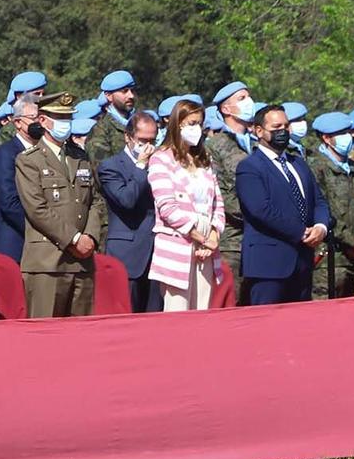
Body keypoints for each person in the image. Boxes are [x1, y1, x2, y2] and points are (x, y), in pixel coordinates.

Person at [15, 94, 105, 319]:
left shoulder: (80, 157)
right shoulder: (29, 160)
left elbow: (95, 200)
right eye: (59, 117)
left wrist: (91, 238)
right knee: (46, 337)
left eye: (68, 117)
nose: (65, 123)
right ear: (43, 121)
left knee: (82, 337)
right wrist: (74, 239)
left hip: (82, 262)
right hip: (47, 262)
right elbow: (37, 209)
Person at [234, 105, 331, 305]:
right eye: (276, 127)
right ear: (259, 131)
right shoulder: (249, 167)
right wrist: (302, 232)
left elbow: (318, 201)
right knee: (267, 327)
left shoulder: (298, 163)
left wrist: (321, 227)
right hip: (269, 264)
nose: (283, 132)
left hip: (303, 262)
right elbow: (261, 210)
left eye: (286, 126)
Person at [146, 99, 226, 311]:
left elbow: (217, 203)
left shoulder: (203, 159)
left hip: (206, 245)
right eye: (191, 123)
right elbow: (167, 206)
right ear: (177, 124)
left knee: (203, 308)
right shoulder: (160, 159)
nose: (197, 129)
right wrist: (198, 237)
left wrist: (213, 237)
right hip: (178, 242)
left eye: (200, 123)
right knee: (177, 309)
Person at [97, 109, 159, 313]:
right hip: (128, 251)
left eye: (152, 140)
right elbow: (127, 200)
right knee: (127, 313)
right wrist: (141, 166)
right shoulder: (111, 166)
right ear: (128, 137)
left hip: (157, 252)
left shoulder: (160, 164)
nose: (148, 146)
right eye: (142, 140)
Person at [305, 112, 354, 298]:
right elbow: (321, 209)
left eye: (349, 132)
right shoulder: (314, 167)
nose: (348, 137)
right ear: (326, 138)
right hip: (330, 259)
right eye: (342, 133)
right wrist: (352, 241)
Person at [206, 81, 259, 300]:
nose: (249, 102)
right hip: (232, 242)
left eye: (248, 96)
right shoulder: (214, 145)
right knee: (230, 302)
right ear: (226, 110)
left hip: (262, 239)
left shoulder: (258, 144)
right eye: (241, 98)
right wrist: (260, 215)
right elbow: (220, 193)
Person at [0, 93, 40, 258]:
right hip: (16, 243)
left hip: (46, 248)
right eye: (34, 117)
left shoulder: (47, 152)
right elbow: (8, 202)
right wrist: (43, 230)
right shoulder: (5, 153)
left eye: (43, 117)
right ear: (18, 122)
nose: (39, 122)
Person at [85, 70, 136, 161]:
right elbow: (103, 171)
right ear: (108, 95)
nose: (131, 95)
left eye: (132, 90)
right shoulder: (101, 130)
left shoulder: (139, 123)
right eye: (124, 91)